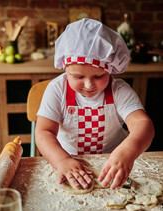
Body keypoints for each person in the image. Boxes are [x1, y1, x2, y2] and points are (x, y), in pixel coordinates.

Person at [35, 18, 154, 191]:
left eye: (99, 76)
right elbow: (44, 131)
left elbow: (144, 125)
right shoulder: (57, 90)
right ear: (65, 69)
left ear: (110, 68)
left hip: (113, 166)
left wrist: (128, 152)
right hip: (69, 162)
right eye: (78, 77)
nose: (89, 85)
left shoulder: (118, 90)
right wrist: (62, 160)